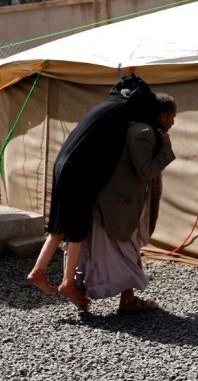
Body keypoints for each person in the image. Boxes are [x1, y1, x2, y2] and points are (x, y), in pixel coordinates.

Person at [27, 75, 157, 310]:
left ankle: (39, 270)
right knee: (78, 226)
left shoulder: (107, 107)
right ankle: (67, 282)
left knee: (60, 224)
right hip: (78, 170)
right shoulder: (123, 112)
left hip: (63, 164)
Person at [76, 93, 176, 313]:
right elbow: (145, 171)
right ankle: (125, 299)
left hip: (115, 203)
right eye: (171, 117)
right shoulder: (143, 133)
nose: (173, 123)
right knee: (124, 252)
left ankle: (105, 295)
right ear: (162, 116)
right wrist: (166, 150)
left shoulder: (133, 127)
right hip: (118, 205)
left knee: (113, 252)